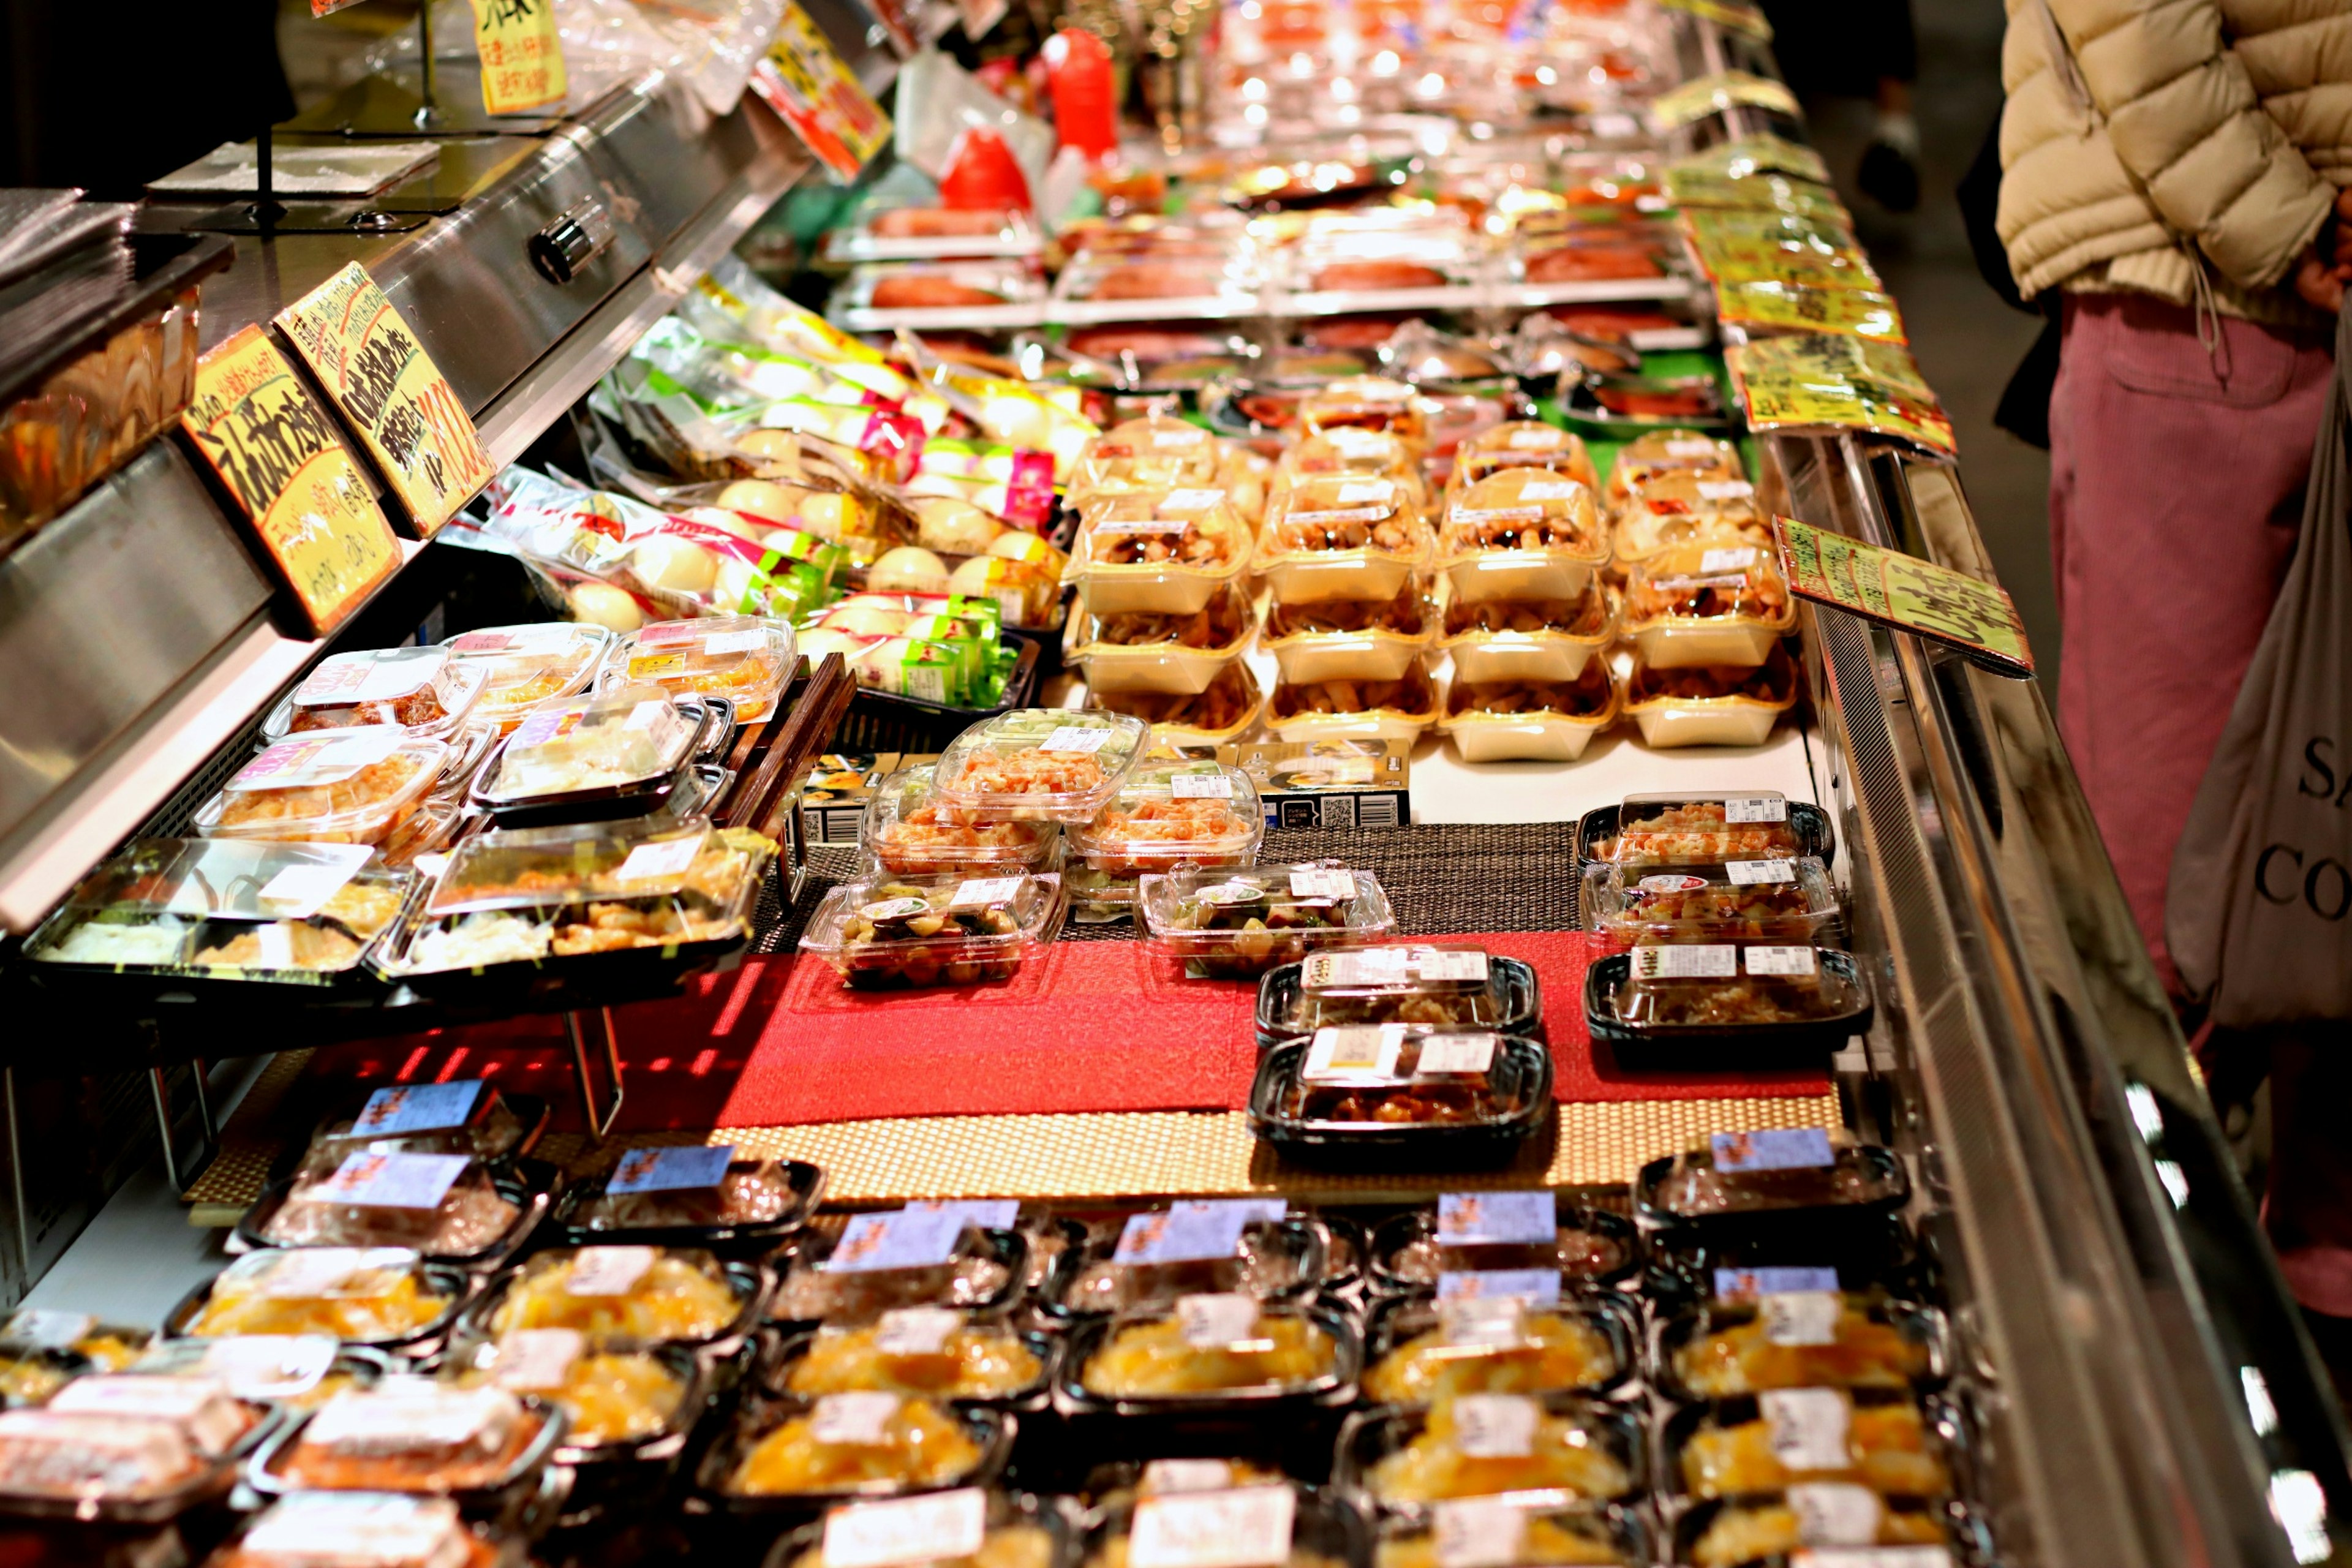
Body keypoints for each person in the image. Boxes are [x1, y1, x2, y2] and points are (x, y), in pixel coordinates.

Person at [1996, 0, 2352, 1396]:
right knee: (2164, 901)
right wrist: (2287, 220)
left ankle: (2320, 1301)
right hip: (2208, 308)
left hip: (2280, 298)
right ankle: (2140, 1354)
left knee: (2334, 854)